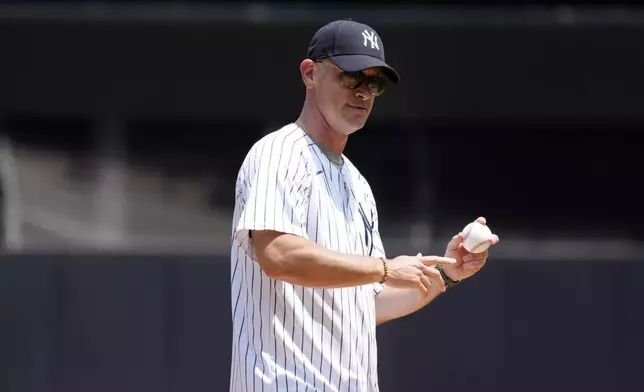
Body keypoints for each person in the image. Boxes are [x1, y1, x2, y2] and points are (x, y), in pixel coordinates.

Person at [229, 19, 499, 392]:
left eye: (374, 83)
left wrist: (446, 274)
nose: (363, 92)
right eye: (351, 77)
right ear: (311, 74)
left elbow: (366, 304)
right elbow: (278, 254)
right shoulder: (280, 152)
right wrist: (384, 268)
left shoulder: (357, 185)